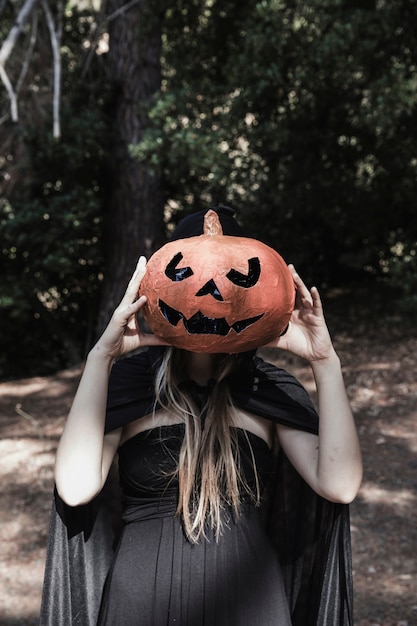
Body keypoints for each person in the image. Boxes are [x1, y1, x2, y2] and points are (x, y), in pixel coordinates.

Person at [40, 207, 362, 626]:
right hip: (141, 598)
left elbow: (339, 485)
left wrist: (326, 362)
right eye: (188, 276)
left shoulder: (269, 389)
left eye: (238, 278)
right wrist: (101, 357)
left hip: (249, 598)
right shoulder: (129, 385)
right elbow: (75, 487)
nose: (211, 292)